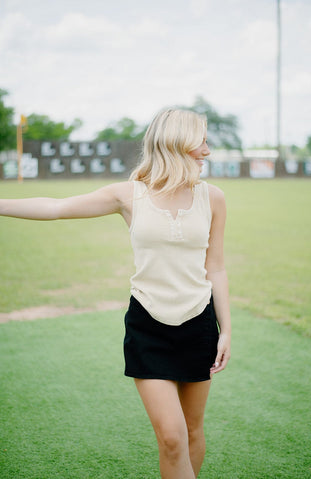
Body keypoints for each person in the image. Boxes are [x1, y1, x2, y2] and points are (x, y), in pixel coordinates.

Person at [0, 108, 231, 479]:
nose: (206, 151)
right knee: (171, 438)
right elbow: (57, 208)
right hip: (149, 326)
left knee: (191, 431)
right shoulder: (129, 195)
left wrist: (227, 331)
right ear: (178, 143)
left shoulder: (213, 198)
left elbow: (215, 266)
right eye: (201, 141)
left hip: (199, 324)